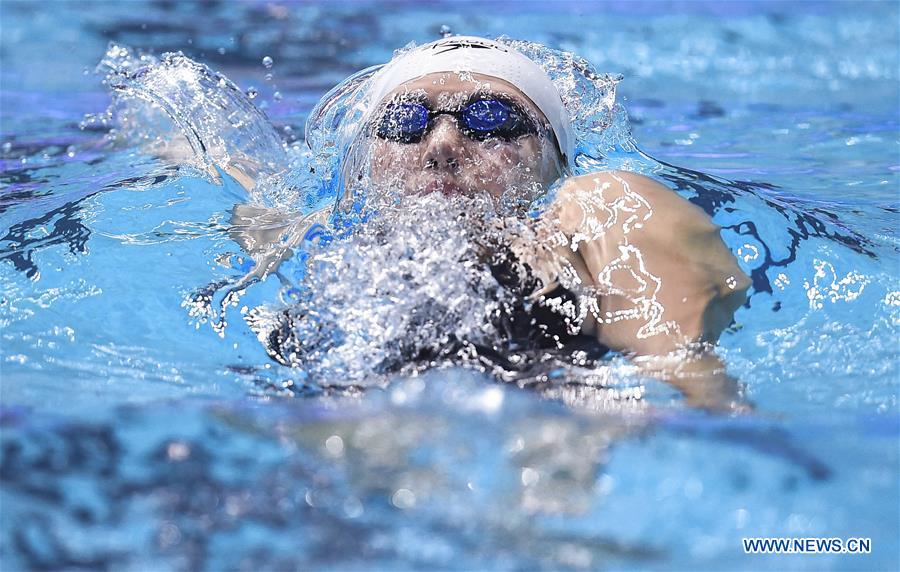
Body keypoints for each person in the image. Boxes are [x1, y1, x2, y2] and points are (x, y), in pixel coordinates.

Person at [225, 36, 751, 410]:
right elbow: (237, 171)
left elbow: (695, 386)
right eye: (404, 123)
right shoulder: (309, 235)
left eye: (491, 120)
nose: (442, 146)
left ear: (555, 161)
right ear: (360, 167)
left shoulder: (596, 207)